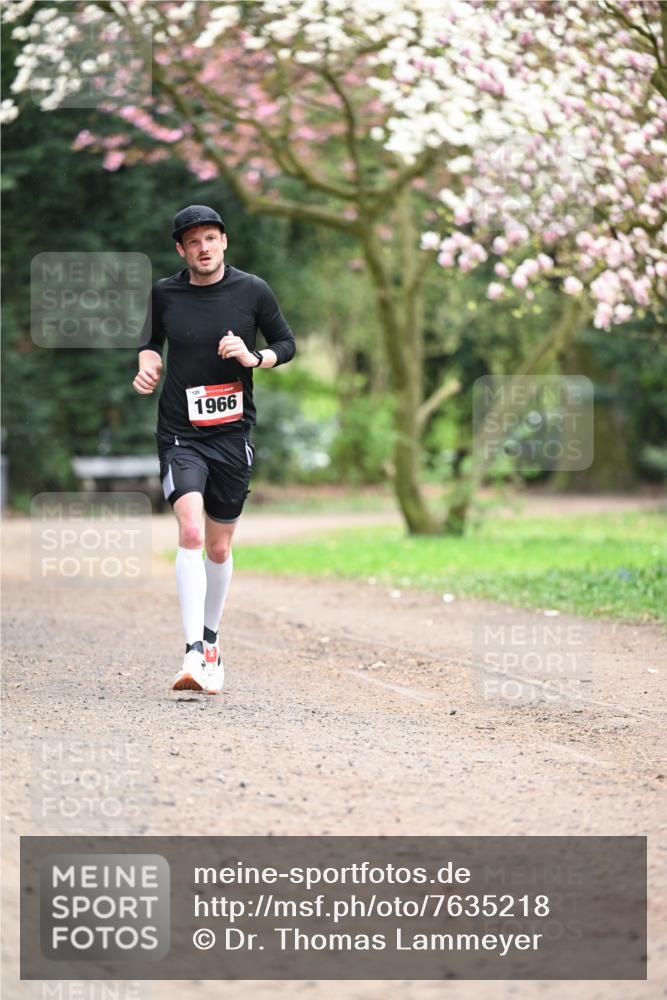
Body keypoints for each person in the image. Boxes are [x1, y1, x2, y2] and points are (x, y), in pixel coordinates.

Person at [133, 205, 295, 694]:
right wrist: (146, 365)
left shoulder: (253, 291)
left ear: (224, 242)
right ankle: (191, 653)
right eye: (193, 241)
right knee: (189, 530)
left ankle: (211, 641)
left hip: (231, 434)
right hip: (181, 433)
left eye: (211, 238)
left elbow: (286, 344)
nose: (203, 247)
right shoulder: (164, 292)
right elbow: (148, 340)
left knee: (219, 545)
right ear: (182, 250)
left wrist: (254, 357)